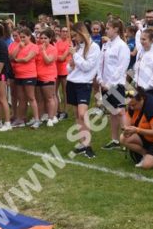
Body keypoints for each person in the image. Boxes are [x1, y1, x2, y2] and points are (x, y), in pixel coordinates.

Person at [68, 22, 101, 158]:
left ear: (82, 33)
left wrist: (75, 56)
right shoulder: (78, 47)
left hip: (84, 84)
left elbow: (87, 67)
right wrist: (70, 65)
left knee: (83, 114)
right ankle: (82, 143)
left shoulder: (94, 47)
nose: (74, 39)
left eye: (75, 36)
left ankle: (88, 145)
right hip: (72, 82)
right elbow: (70, 69)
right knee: (77, 116)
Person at [99, 18, 131, 149]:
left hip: (116, 84)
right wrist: (100, 79)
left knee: (120, 112)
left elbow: (121, 67)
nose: (106, 31)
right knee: (112, 111)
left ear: (116, 29)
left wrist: (110, 83)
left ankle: (127, 140)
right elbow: (100, 63)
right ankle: (115, 140)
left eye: (108, 28)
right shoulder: (107, 45)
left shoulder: (122, 46)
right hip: (105, 83)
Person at [10, 27, 41, 128]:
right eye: (21, 37)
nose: (22, 39)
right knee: (21, 98)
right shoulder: (19, 45)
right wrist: (19, 47)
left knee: (31, 97)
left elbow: (27, 59)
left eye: (24, 37)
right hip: (18, 75)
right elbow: (11, 57)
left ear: (29, 36)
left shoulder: (34, 46)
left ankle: (37, 119)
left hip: (29, 74)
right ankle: (21, 119)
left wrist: (16, 60)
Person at [35, 28, 59, 127]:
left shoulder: (53, 49)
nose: (43, 40)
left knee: (50, 97)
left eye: (45, 38)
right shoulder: (37, 47)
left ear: (50, 39)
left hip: (48, 76)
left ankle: (51, 117)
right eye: (41, 38)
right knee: (40, 99)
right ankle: (40, 117)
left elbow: (48, 61)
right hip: (38, 76)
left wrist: (44, 51)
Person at [55, 25, 72, 120]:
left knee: (65, 91)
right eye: (63, 31)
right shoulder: (57, 43)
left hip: (65, 69)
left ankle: (65, 111)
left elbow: (62, 58)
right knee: (55, 91)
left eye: (66, 31)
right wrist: (58, 56)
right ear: (60, 32)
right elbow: (56, 55)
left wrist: (57, 56)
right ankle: (58, 110)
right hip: (56, 69)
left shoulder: (69, 43)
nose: (65, 33)